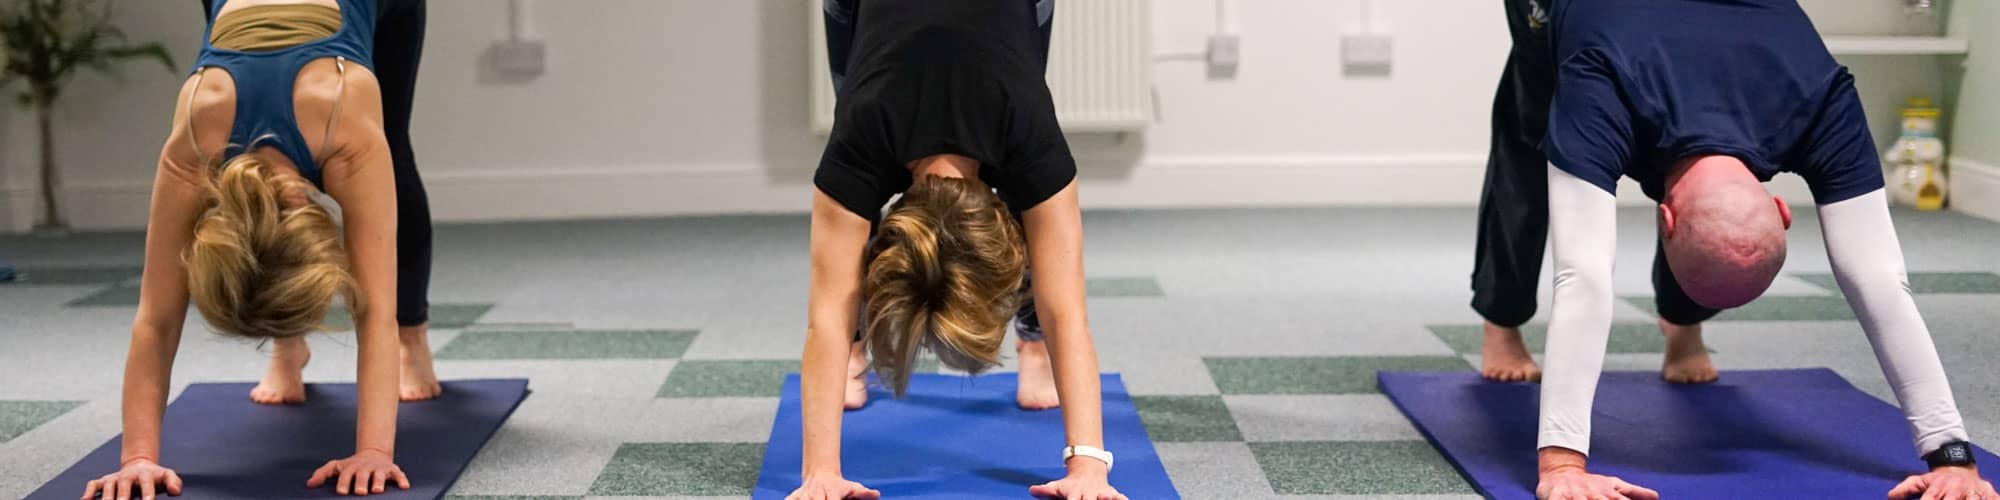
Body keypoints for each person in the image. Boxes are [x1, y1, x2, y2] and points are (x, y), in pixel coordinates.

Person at [1524, 0, 1995, 498]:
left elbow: (1876, 276)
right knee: (1526, 135)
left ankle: (1679, 326)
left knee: (1694, 234)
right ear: (1782, 211)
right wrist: (1560, 463)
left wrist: (1952, 452)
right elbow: (1583, 273)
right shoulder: (1595, 81)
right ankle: (1500, 321)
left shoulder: (1824, 98)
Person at [82, 0, 433, 497]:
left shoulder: (345, 121)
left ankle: (414, 339)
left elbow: (376, 310)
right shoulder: (197, 133)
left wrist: (375, 450)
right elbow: (156, 321)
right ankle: (289, 346)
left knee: (393, 145)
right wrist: (137, 457)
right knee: (294, 262)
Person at [790, 1, 1126, 499]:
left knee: (1020, 78)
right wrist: (820, 468)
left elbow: (1063, 310)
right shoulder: (858, 145)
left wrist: (1089, 464)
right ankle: (853, 353)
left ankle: (1031, 345)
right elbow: (829, 313)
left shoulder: (1029, 139)